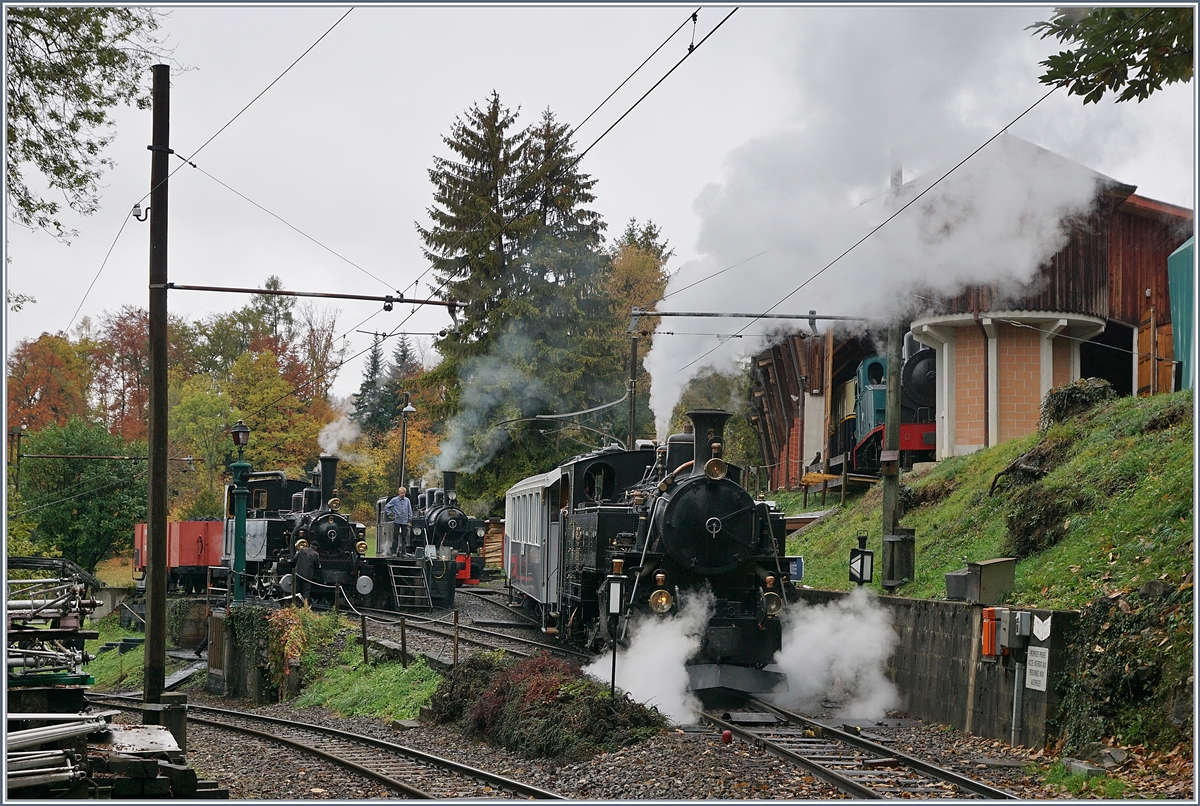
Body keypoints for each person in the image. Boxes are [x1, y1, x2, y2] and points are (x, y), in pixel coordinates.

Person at [383, 486, 413, 554]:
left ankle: (403, 552)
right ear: (399, 493)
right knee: (395, 537)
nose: (403, 494)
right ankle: (393, 552)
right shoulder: (394, 500)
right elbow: (386, 507)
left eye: (404, 493)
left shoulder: (407, 500)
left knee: (404, 538)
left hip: (405, 521)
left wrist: (410, 519)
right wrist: (391, 514)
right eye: (402, 493)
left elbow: (409, 510)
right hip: (397, 520)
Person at [293, 539, 320, 605]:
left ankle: (294, 602)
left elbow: (294, 559)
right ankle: (305, 604)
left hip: (298, 573)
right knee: (306, 590)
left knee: (296, 588)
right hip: (307, 574)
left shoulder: (302, 550)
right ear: (315, 547)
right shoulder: (315, 554)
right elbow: (317, 565)